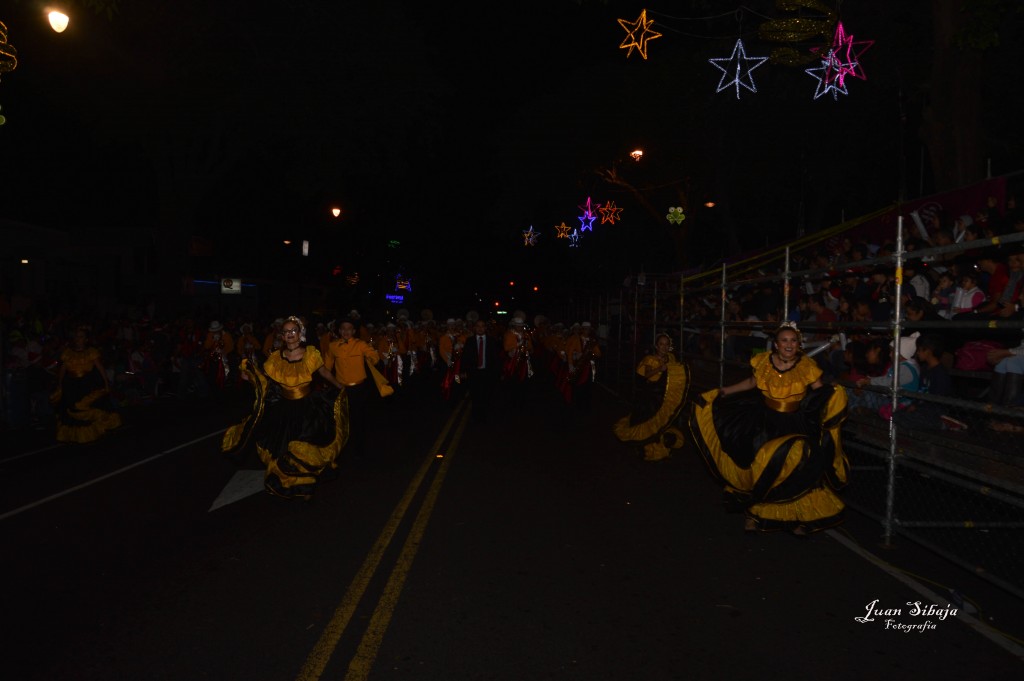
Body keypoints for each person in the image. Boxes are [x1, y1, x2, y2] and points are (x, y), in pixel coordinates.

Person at [690, 322, 849, 536]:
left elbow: (820, 392)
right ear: (775, 344)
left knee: (798, 468)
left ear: (798, 343)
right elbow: (750, 383)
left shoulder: (807, 365)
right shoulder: (764, 361)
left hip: (795, 423)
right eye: (784, 340)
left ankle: (803, 516)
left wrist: (834, 397)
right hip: (764, 422)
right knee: (762, 468)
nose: (789, 344)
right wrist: (725, 390)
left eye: (793, 340)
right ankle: (755, 516)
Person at [222, 316, 348, 500]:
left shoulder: (310, 353)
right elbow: (266, 378)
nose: (290, 335)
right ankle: (295, 485)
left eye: (293, 331)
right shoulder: (275, 358)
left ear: (300, 334)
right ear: (282, 335)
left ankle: (306, 487)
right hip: (285, 409)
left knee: (303, 449)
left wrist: (339, 386)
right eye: (286, 332)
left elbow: (324, 372)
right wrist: (250, 376)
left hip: (307, 409)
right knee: (283, 450)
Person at [614, 333, 689, 461]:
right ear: (656, 346)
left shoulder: (671, 357)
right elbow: (646, 374)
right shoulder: (650, 359)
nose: (664, 347)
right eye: (661, 344)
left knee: (662, 422)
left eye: (666, 344)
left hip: (664, 397)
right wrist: (660, 368)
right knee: (649, 422)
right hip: (650, 396)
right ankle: (647, 448)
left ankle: (662, 446)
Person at [323, 320, 388, 458]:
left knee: (359, 418)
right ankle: (342, 448)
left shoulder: (360, 344)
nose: (346, 331)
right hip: (341, 389)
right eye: (343, 329)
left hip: (359, 388)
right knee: (341, 420)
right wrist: (326, 382)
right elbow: (327, 365)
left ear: (353, 331)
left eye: (349, 329)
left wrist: (372, 359)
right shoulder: (333, 346)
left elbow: (374, 356)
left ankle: (360, 449)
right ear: (339, 331)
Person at [52, 326, 122, 443]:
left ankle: (93, 431)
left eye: (81, 337)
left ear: (86, 339)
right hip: (72, 385)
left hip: (87, 384)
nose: (78, 339)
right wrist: (59, 385)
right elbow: (62, 370)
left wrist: (106, 382)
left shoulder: (91, 352)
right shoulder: (67, 353)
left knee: (86, 406)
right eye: (76, 337)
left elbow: (100, 368)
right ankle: (76, 435)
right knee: (72, 409)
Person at [461, 318, 502, 423]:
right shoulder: (469, 341)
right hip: (474, 372)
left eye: (482, 326)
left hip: (487, 372)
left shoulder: (492, 340)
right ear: (474, 328)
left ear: (485, 328)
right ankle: (476, 416)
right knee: (475, 396)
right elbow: (465, 357)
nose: (480, 328)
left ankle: (484, 416)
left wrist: (497, 373)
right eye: (478, 326)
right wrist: (464, 372)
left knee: (486, 395)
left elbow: (496, 358)